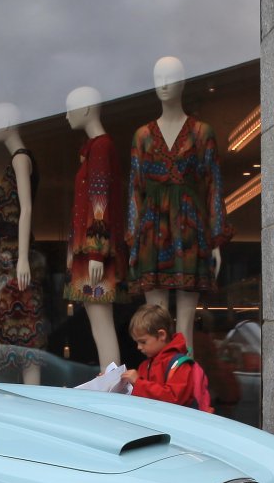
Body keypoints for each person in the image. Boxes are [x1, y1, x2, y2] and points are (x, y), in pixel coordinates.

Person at [127, 56, 230, 355]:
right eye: (158, 77)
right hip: (151, 231)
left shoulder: (201, 132)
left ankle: (185, 384)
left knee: (184, 325)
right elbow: (134, 189)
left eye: (170, 77)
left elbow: (213, 184)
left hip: (189, 230)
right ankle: (158, 383)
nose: (163, 84)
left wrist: (216, 239)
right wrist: (133, 241)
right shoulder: (142, 136)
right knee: (153, 322)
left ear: (183, 83)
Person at [63, 86, 128, 369]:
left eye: (71, 108)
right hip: (90, 249)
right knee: (98, 322)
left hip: (94, 251)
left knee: (102, 324)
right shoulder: (95, 148)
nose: (66, 115)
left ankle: (111, 385)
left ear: (87, 109)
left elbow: (100, 199)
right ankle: (108, 381)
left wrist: (96, 253)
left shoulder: (101, 147)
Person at [0, 103, 44, 385]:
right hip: (10, 257)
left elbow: (26, 209)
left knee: (26, 332)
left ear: (8, 123)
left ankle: (32, 394)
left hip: (18, 258)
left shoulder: (21, 159)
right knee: (14, 333)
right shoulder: (16, 160)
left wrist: (22, 257)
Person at [122, 303, 212, 412]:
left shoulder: (180, 365)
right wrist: (120, 381)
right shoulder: (145, 365)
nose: (139, 347)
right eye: (137, 342)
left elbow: (173, 398)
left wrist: (138, 383)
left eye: (143, 342)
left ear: (161, 335)